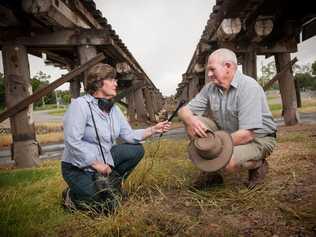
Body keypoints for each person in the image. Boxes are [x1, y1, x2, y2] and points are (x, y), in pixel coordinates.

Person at [61, 63, 171, 213]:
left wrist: (153, 129)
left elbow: (129, 135)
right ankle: (71, 196)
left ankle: (112, 185)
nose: (116, 83)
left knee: (135, 150)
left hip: (104, 160)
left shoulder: (113, 109)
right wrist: (95, 164)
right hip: (77, 167)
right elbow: (72, 141)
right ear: (99, 82)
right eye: (112, 79)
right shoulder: (80, 106)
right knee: (102, 207)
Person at [178, 48, 277, 189]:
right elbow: (183, 111)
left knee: (227, 162)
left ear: (228, 67)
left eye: (212, 69)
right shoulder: (210, 88)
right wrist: (190, 120)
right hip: (228, 135)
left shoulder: (249, 87)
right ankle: (212, 175)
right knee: (194, 123)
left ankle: (258, 164)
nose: (209, 74)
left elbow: (246, 135)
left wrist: (213, 146)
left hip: (258, 139)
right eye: (208, 70)